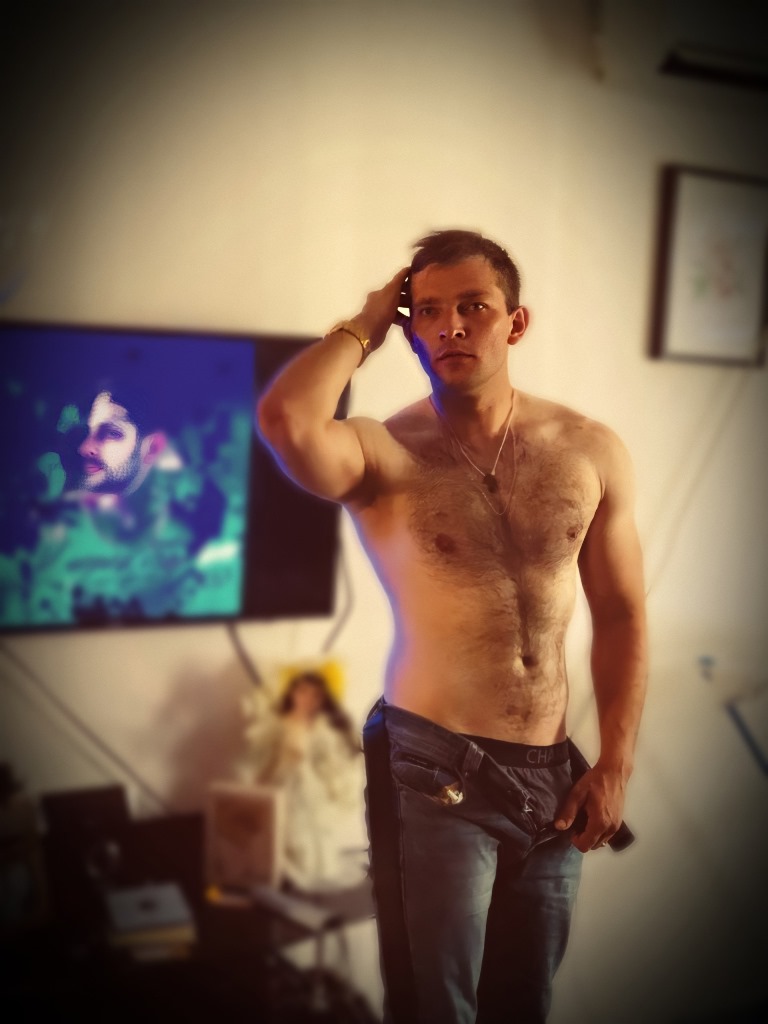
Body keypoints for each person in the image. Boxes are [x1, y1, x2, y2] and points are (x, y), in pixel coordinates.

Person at [257, 229, 648, 1023]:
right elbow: (287, 419)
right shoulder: (384, 454)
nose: (451, 327)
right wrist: (368, 321)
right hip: (435, 773)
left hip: (553, 778)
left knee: (522, 1005)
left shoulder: (588, 450)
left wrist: (615, 763)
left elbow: (620, 613)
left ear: (516, 323)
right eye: (429, 312)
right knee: (436, 1010)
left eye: (474, 307)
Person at [240, 670, 364, 890]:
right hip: (282, 783)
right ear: (293, 693)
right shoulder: (280, 724)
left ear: (321, 700)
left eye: (315, 695)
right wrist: (257, 784)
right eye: (302, 692)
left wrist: (330, 779)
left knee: (310, 830)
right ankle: (283, 873)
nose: (307, 699)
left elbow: (330, 760)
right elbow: (264, 757)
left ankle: (309, 869)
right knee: (282, 830)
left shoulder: (322, 728)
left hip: (310, 786)